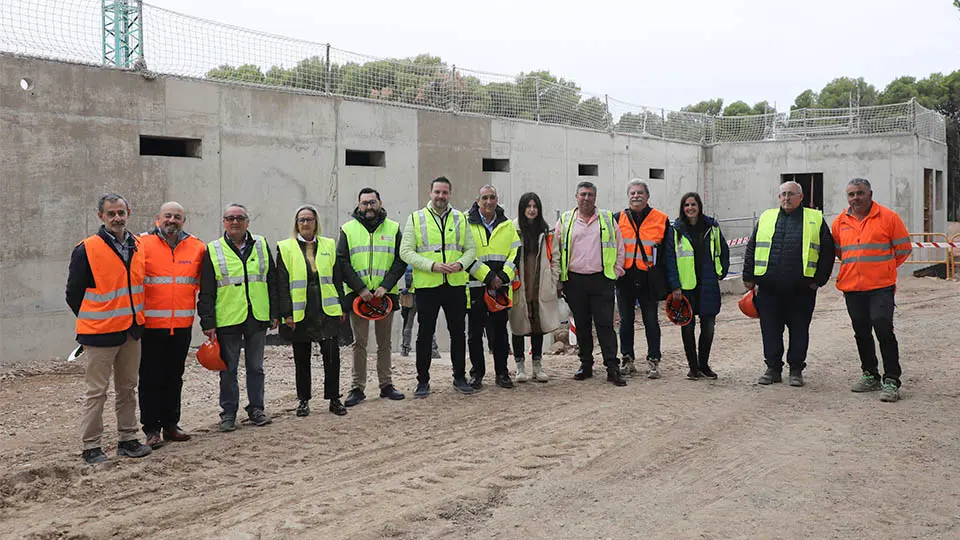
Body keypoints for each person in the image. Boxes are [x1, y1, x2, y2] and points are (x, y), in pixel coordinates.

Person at [65, 193, 152, 463]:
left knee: (128, 388)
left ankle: (128, 439)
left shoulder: (137, 245)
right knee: (97, 392)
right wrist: (96, 318)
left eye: (121, 213)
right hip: (99, 334)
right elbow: (73, 294)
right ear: (101, 216)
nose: (117, 218)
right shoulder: (87, 249)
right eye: (111, 213)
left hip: (131, 331)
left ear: (129, 213)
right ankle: (91, 446)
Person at [743, 181, 835, 387]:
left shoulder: (815, 219)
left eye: (791, 194)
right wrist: (748, 277)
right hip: (768, 288)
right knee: (770, 330)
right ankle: (773, 368)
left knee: (799, 329)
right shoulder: (766, 218)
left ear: (800, 197)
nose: (786, 198)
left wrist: (818, 281)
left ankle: (796, 370)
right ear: (778, 198)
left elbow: (827, 252)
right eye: (783, 194)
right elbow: (752, 246)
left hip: (801, 289)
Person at [198, 203, 279, 431]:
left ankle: (256, 409)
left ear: (247, 222)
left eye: (240, 218)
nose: (235, 222)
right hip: (228, 318)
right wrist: (208, 322)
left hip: (257, 316)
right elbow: (206, 290)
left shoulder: (261, 244)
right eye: (230, 218)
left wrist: (274, 313)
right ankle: (229, 414)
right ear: (224, 222)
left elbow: (271, 281)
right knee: (228, 369)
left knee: (256, 367)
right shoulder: (213, 249)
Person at [832, 178, 912, 402]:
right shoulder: (840, 222)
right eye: (851, 194)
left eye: (860, 193)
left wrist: (884, 269)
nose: (855, 198)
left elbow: (903, 249)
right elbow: (840, 251)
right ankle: (870, 374)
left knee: (883, 328)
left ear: (870, 194)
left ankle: (891, 380)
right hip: (852, 288)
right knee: (861, 332)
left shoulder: (888, 218)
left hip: (880, 288)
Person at [399, 176, 477, 398]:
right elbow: (406, 252)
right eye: (437, 192)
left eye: (445, 192)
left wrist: (460, 264)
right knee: (424, 334)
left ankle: (459, 377)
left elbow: (471, 250)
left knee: (458, 334)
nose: (441, 196)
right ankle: (422, 381)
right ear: (430, 193)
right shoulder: (416, 219)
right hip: (427, 286)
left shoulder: (461, 219)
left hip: (455, 285)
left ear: (450, 194)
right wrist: (432, 266)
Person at [138, 202, 206, 447]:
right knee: (149, 377)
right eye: (168, 216)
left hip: (181, 326)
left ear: (183, 221)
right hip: (150, 326)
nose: (172, 220)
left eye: (178, 216)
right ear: (158, 218)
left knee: (174, 376)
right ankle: (151, 429)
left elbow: (200, 285)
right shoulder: (141, 244)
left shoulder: (197, 247)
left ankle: (170, 425)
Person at [552, 181, 627, 386]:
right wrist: (559, 280)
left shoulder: (607, 219)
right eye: (583, 194)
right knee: (582, 325)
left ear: (596, 197)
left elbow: (619, 247)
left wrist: (616, 272)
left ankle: (612, 367)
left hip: (601, 280)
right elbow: (556, 252)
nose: (586, 198)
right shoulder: (565, 220)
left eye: (590, 194)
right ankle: (586, 365)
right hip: (574, 281)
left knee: (605, 325)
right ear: (576, 197)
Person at [338, 188, 407, 407]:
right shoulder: (348, 229)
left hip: (384, 297)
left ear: (380, 203)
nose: (369, 207)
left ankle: (386, 385)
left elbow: (400, 260)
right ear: (358, 205)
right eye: (365, 203)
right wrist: (360, 289)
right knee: (360, 343)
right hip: (359, 298)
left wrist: (385, 286)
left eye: (372, 202)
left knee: (384, 343)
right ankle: (357, 388)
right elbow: (342, 261)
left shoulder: (394, 228)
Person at [277, 205, 348, 416]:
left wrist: (342, 306)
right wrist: (286, 313)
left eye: (309, 219)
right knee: (301, 358)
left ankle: (334, 399)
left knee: (332, 357)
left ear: (316, 222)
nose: (306, 224)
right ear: (296, 224)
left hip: (327, 309)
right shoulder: (285, 247)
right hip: (301, 311)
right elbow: (282, 284)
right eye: (302, 220)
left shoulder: (328, 244)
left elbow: (337, 278)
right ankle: (303, 400)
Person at [663, 192, 730, 380]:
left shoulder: (712, 227)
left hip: (708, 283)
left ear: (699, 206)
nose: (690, 208)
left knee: (708, 327)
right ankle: (693, 367)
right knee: (687, 328)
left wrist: (722, 271)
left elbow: (723, 250)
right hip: (686, 286)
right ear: (682, 208)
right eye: (686, 205)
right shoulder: (675, 230)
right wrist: (675, 286)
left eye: (693, 204)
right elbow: (670, 260)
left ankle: (704, 365)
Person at [613, 179, 670, 379]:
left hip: (649, 278)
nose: (636, 196)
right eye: (632, 193)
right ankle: (627, 359)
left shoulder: (661, 219)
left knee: (651, 321)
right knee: (625, 322)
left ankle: (654, 361)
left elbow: (666, 254)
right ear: (628, 196)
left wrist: (670, 282)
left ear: (647, 196)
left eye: (640, 193)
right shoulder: (617, 218)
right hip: (625, 277)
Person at [465, 185, 521, 389]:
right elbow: (464, 253)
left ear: (497, 199)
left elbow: (515, 253)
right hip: (474, 287)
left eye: (492, 197)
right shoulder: (465, 223)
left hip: (500, 289)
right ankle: (477, 374)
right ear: (478, 200)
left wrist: (503, 277)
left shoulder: (507, 225)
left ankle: (502, 373)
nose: (489, 201)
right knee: (474, 335)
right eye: (484, 198)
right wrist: (487, 276)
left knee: (499, 334)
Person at [510, 192, 559, 383]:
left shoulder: (547, 232)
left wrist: (553, 280)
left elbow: (555, 257)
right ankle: (520, 366)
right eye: (528, 206)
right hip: (520, 284)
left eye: (535, 206)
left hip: (540, 285)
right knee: (518, 326)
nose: (531, 210)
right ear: (522, 209)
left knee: (538, 326)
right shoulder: (513, 230)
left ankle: (537, 365)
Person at [399, 265, 441, 358]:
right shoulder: (426, 263)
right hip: (423, 294)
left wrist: (407, 288)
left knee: (408, 324)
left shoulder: (410, 264)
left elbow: (408, 277)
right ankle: (433, 350)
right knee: (427, 323)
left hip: (411, 296)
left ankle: (405, 348)